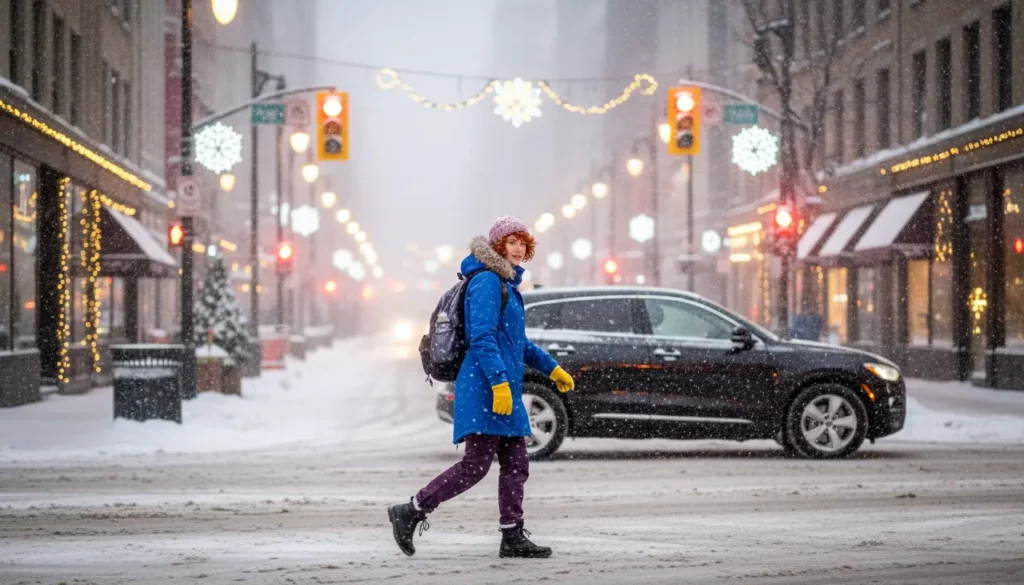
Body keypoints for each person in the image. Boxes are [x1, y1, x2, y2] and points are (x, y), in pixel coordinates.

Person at [388, 216, 576, 559]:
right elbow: (482, 338)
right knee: (475, 466)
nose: (519, 248)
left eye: (523, 243)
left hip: (501, 386)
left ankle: (512, 535)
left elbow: (519, 344)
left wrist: (554, 369)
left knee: (517, 463)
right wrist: (500, 385)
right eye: (512, 242)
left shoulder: (508, 284)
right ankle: (411, 510)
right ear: (497, 246)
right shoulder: (488, 281)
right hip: (485, 387)